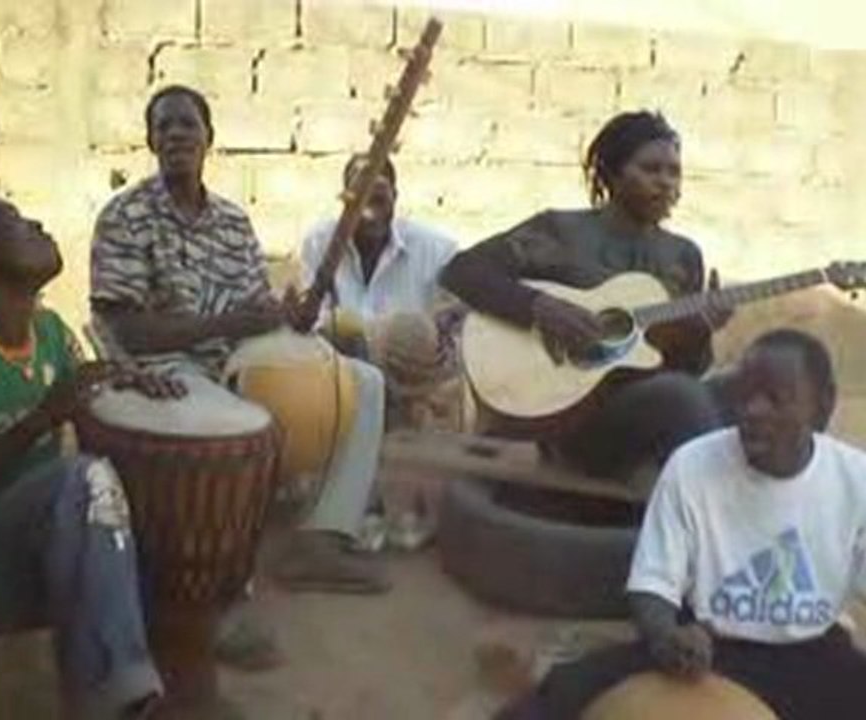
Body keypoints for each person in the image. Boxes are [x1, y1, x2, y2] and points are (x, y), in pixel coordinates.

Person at [89, 85, 389, 646]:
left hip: (233, 360)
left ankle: (324, 537)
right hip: (160, 368)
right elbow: (127, 330)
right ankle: (222, 598)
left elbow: (258, 310)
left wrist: (291, 316)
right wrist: (228, 327)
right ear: (151, 141)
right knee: (234, 426)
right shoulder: (126, 216)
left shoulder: (231, 220)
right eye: (164, 126)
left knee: (366, 382)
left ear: (209, 140)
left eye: (188, 124)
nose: (176, 133)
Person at [0, 196, 189, 719]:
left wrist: (126, 388)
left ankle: (154, 683)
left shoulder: (53, 333)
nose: (36, 222)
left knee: (133, 505)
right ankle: (115, 705)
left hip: (28, 558)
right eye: (14, 221)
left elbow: (87, 400)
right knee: (81, 481)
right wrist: (40, 418)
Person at [497, 329, 866, 720]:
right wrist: (665, 636)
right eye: (745, 395)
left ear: (822, 407)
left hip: (810, 650)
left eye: (775, 399)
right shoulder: (691, 466)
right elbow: (652, 584)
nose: (753, 411)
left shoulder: (855, 479)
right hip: (708, 646)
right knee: (563, 691)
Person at [441, 110, 731, 478]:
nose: (665, 182)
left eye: (674, 172)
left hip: (642, 413)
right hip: (561, 416)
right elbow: (463, 270)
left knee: (740, 387)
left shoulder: (683, 257)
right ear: (612, 172)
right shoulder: (562, 232)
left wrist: (700, 332)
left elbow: (685, 370)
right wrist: (539, 308)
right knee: (682, 399)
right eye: (651, 169)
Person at [300, 154, 464, 430]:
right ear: (345, 200)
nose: (368, 213)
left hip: (411, 392)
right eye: (359, 199)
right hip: (340, 388)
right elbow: (315, 326)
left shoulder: (437, 251)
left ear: (395, 198)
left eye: (378, 200)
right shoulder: (320, 243)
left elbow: (451, 335)